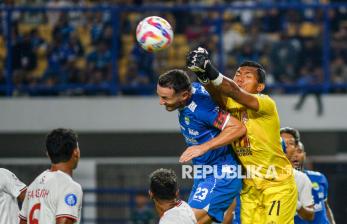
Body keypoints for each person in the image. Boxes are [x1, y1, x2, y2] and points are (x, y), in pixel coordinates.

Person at [186, 47, 297, 224]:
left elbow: (233, 90)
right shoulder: (230, 104)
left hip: (277, 186)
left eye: (247, 76)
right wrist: (203, 75)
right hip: (250, 189)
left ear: (259, 87)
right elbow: (216, 94)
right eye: (238, 73)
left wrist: (209, 67)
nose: (240, 78)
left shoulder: (266, 103)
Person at [157, 69, 245, 223]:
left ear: (184, 95)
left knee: (180, 221)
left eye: (165, 98)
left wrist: (203, 147)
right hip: (203, 173)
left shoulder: (201, 108)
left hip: (221, 173)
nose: (161, 102)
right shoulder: (192, 92)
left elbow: (238, 127)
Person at [19, 128, 83, 224]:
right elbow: (64, 221)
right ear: (75, 152)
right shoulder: (70, 186)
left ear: (48, 154)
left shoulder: (33, 185)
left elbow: (22, 222)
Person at [293, 141, 336, 224]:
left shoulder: (319, 177)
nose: (295, 155)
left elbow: (325, 206)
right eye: (292, 152)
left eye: (299, 151)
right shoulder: (282, 182)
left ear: (304, 155)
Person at [280, 127, 315, 221]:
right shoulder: (258, 171)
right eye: (282, 142)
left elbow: (310, 216)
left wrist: (296, 203)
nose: (285, 146)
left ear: (295, 148)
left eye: (290, 143)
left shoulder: (301, 178)